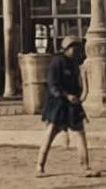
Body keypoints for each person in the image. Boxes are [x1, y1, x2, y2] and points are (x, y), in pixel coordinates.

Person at [36, 36, 99, 178]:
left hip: (72, 105)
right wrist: (65, 95)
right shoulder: (57, 62)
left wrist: (78, 96)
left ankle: (85, 167)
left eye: (77, 47)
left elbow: (79, 86)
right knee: (50, 133)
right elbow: (53, 85)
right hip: (58, 104)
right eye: (73, 47)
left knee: (80, 135)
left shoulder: (75, 64)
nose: (75, 50)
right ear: (65, 49)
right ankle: (40, 165)